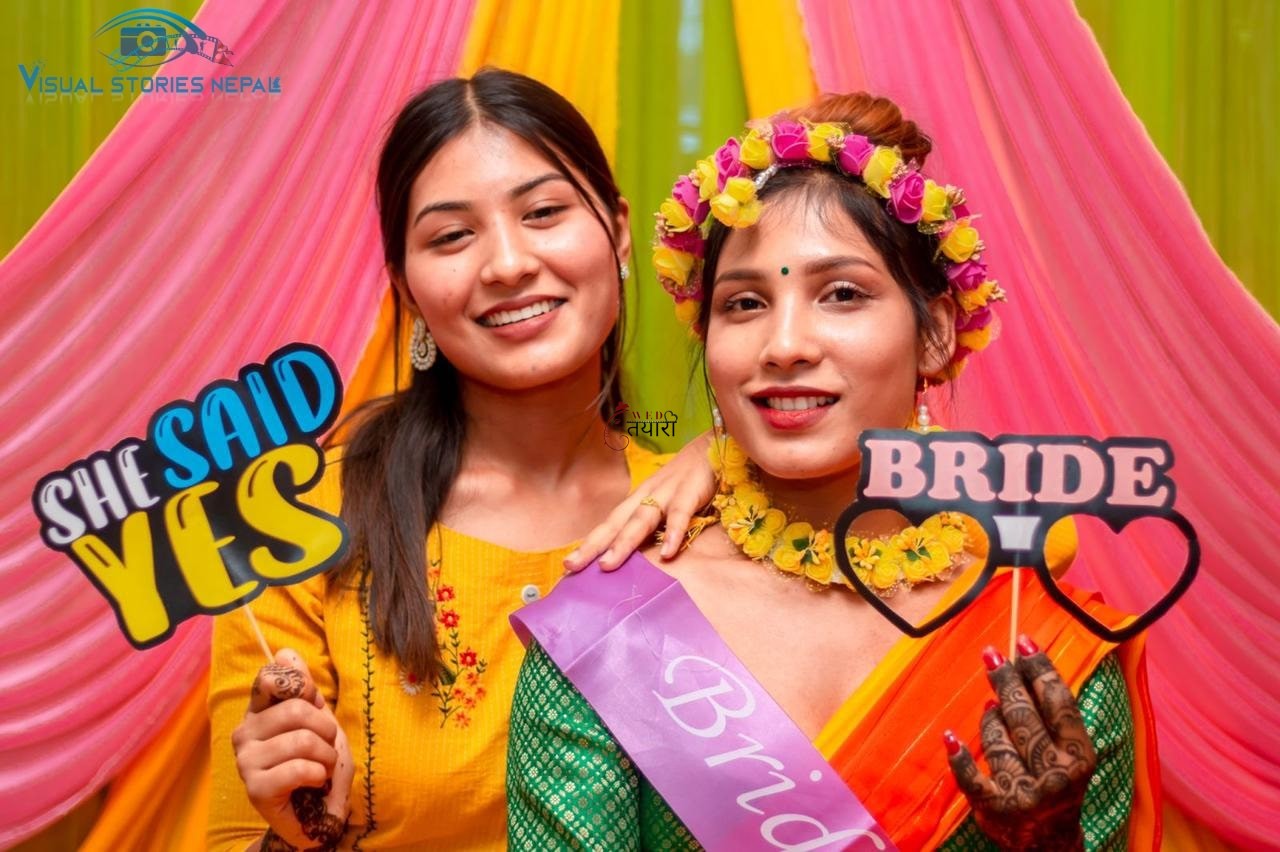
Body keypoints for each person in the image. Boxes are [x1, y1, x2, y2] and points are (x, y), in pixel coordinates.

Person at [506, 92, 1160, 850]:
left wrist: (1050, 845)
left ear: (936, 332)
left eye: (842, 294)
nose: (784, 345)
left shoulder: (1041, 652)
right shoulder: (614, 632)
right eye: (745, 303)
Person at [207, 69, 718, 851]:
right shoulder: (304, 520)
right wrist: (292, 832)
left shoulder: (706, 514)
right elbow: (241, 836)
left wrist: (734, 457)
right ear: (406, 288)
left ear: (617, 232)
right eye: (451, 236)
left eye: (543, 213)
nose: (507, 263)